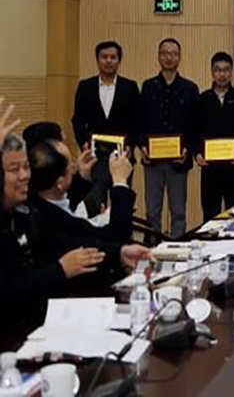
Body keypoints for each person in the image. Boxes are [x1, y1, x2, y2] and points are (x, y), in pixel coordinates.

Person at [0, 133, 149, 346]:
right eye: (15, 170)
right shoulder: (31, 212)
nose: (25, 176)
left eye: (26, 167)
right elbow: (10, 290)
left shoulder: (26, 213)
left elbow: (73, 241)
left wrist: (119, 253)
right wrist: (61, 269)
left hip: (45, 325)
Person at [72, 41, 140, 216]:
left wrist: (131, 145)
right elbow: (78, 120)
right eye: (104, 57)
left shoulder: (130, 87)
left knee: (121, 204)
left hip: (122, 157)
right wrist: (83, 143)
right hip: (95, 157)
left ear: (119, 60)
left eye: (113, 57)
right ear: (97, 60)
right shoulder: (85, 86)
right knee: (95, 203)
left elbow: (137, 121)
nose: (108, 61)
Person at [139, 38, 199, 238]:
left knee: (179, 212)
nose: (169, 57)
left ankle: (177, 248)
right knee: (152, 212)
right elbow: (140, 121)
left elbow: (194, 125)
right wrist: (142, 146)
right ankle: (151, 249)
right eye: (165, 53)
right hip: (152, 161)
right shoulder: (148, 86)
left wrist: (187, 149)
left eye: (173, 54)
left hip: (178, 161)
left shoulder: (190, 88)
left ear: (180, 57)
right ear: (158, 56)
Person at [28, 140, 136, 244]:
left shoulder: (40, 201)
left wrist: (82, 176)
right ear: (59, 182)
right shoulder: (57, 223)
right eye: (69, 165)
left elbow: (69, 199)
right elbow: (115, 237)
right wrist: (120, 181)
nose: (74, 166)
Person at [193, 52, 234, 221]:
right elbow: (194, 131)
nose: (222, 74)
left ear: (231, 72)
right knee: (210, 216)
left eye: (226, 70)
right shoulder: (202, 99)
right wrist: (197, 153)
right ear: (212, 72)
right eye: (218, 70)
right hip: (210, 169)